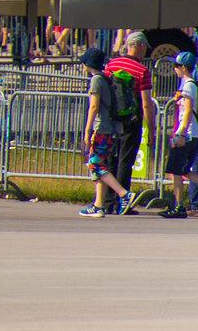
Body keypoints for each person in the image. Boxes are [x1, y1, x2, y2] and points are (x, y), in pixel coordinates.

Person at [80, 46, 133, 217]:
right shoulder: (106, 78)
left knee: (95, 163)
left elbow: (94, 105)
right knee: (99, 165)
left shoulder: (96, 80)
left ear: (88, 64)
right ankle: (98, 205)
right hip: (110, 128)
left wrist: (88, 129)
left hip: (100, 128)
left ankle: (123, 193)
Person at [104, 33, 155, 208]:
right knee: (125, 161)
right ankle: (123, 203)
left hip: (112, 120)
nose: (145, 51)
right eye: (145, 48)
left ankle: (107, 200)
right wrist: (152, 129)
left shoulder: (112, 65)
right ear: (139, 46)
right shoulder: (142, 71)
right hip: (131, 121)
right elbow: (147, 104)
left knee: (111, 159)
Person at [159, 51, 197, 219]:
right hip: (192, 133)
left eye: (176, 66)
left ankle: (178, 205)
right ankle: (178, 204)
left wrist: (181, 133)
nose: (174, 69)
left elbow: (188, 111)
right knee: (183, 170)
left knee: (176, 169)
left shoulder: (188, 85)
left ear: (183, 67)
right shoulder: (190, 85)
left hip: (186, 134)